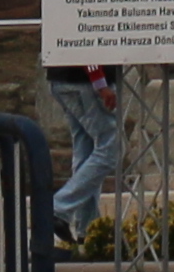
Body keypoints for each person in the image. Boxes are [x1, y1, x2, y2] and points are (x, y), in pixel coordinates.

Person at [48, 61, 124, 244]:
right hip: (86, 82)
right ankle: (58, 207)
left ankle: (88, 228)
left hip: (62, 78)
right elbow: (87, 43)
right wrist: (100, 84)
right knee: (111, 148)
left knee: (86, 148)